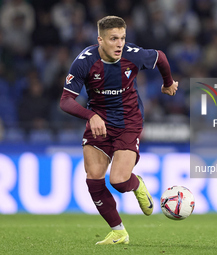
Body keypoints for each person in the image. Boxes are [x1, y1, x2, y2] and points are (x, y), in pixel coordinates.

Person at [59, 15, 178, 245]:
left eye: (122, 38)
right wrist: (90, 115)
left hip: (128, 122)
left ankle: (136, 184)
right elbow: (65, 101)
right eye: (113, 39)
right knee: (93, 179)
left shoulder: (134, 55)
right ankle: (118, 231)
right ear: (100, 40)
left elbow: (160, 57)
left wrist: (168, 83)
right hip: (99, 123)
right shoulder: (85, 61)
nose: (119, 44)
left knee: (119, 182)